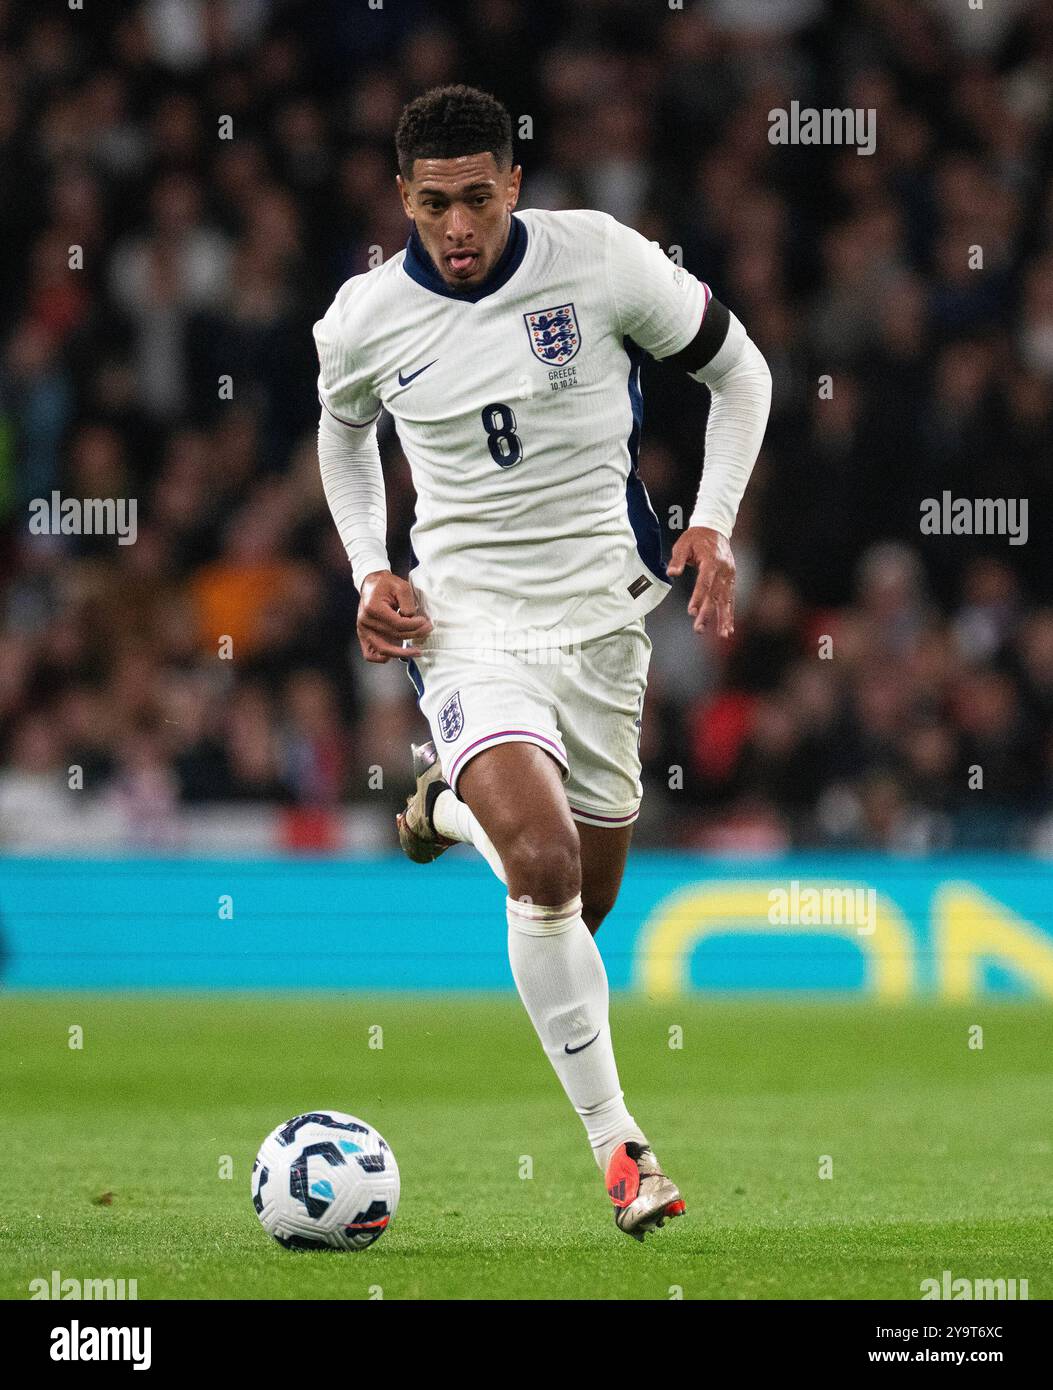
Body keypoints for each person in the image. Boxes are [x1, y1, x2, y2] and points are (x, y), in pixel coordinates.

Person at [314, 85, 771, 1239]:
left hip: (604, 624)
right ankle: (621, 1149)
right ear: (401, 199)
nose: (457, 229)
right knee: (547, 862)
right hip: (465, 624)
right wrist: (371, 564)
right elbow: (343, 430)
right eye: (433, 207)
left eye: (477, 199)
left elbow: (743, 373)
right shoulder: (363, 319)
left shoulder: (602, 261)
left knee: (580, 895)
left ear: (513, 185)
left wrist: (712, 520)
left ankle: (443, 810)